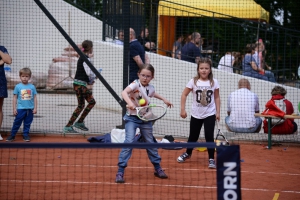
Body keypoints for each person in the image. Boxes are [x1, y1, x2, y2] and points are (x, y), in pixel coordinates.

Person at [115, 64, 173, 183]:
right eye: (143, 75)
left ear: (152, 77)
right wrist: (129, 103)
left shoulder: (150, 88)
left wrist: (164, 99)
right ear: (138, 75)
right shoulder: (135, 84)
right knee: (129, 141)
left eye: (148, 76)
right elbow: (124, 92)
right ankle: (120, 171)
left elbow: (153, 93)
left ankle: (157, 168)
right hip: (132, 118)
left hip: (145, 119)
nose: (145, 78)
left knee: (150, 143)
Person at [177, 57, 220, 169]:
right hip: (196, 113)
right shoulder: (193, 81)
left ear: (210, 69)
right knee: (193, 136)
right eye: (202, 68)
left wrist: (218, 112)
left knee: (209, 136)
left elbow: (217, 97)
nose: (204, 70)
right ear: (198, 69)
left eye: (206, 68)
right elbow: (184, 95)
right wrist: (182, 109)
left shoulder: (214, 82)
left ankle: (211, 158)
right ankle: (188, 153)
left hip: (210, 113)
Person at [63, 40, 96, 134]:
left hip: (78, 84)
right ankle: (77, 123)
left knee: (81, 105)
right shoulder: (86, 59)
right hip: (80, 85)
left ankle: (71, 125)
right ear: (91, 48)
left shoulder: (82, 57)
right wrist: (94, 76)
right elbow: (89, 73)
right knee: (91, 102)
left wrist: (90, 79)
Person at [6, 68, 37, 142]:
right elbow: (14, 98)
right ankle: (12, 135)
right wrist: (14, 108)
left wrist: (35, 108)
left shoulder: (32, 87)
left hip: (30, 109)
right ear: (20, 76)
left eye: (26, 76)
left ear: (29, 77)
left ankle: (25, 135)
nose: (25, 78)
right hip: (20, 109)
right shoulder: (18, 86)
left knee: (27, 123)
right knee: (17, 122)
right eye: (23, 76)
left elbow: (35, 98)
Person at [0, 45, 12, 141]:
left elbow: (8, 60)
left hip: (1, 81)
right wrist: (1, 61)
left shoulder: (2, 49)